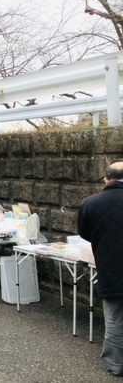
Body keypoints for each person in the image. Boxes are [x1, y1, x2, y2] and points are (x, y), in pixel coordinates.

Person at [78, 161, 123, 377]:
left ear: (106, 178)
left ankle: (116, 365)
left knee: (114, 318)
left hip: (109, 269)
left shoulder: (91, 203)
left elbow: (85, 233)